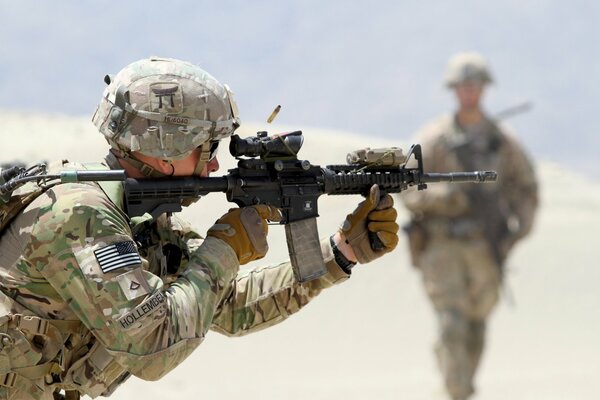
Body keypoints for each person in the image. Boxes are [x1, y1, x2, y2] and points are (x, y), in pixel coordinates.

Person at [0, 57, 399, 399]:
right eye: (206, 148)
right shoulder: (79, 215)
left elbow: (228, 308)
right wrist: (225, 249)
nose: (211, 166)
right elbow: (154, 348)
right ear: (166, 145)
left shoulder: (138, 218)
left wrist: (342, 252)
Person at [401, 52, 538, 400]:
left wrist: (517, 232)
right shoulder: (435, 138)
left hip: (484, 246)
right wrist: (445, 197)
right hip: (441, 245)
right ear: (454, 90)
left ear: (484, 89)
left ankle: (462, 386)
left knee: (476, 327)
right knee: (452, 324)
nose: (469, 93)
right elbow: (406, 185)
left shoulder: (502, 140)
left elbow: (526, 187)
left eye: (474, 86)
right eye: (463, 87)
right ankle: (455, 390)